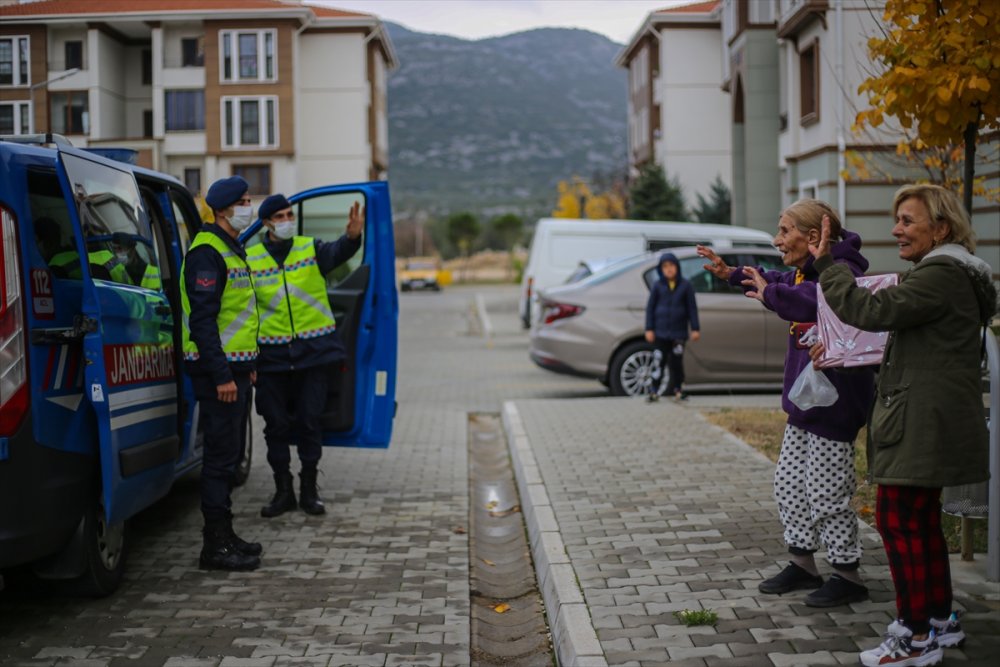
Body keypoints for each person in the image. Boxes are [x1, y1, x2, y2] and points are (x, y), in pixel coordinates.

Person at [810, 184, 995, 666]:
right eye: (898, 219)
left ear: (941, 228)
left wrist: (828, 266)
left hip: (920, 421)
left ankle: (913, 638)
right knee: (920, 523)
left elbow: (870, 312)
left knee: (898, 521)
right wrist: (838, 351)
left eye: (908, 221)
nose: (896, 229)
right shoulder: (950, 276)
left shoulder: (940, 275)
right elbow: (909, 341)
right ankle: (938, 621)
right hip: (929, 418)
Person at [697, 198, 875, 607]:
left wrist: (770, 294)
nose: (778, 240)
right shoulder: (801, 271)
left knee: (826, 491)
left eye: (784, 231)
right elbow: (774, 279)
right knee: (789, 484)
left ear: (813, 237)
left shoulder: (840, 272)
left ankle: (847, 573)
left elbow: (809, 300)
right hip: (804, 404)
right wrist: (732, 274)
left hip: (835, 406)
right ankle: (803, 563)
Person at [247, 194, 363, 518]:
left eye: (289, 214)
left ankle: (309, 490)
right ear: (267, 222)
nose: (287, 220)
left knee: (310, 423)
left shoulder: (309, 248)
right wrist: (248, 361)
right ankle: (282, 491)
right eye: (280, 216)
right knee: (276, 426)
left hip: (313, 355)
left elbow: (339, 252)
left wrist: (352, 237)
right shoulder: (250, 258)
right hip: (270, 359)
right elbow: (243, 311)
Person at [180, 175, 262, 571]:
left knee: (228, 458)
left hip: (235, 369)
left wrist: (248, 366)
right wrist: (223, 376)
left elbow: (240, 318)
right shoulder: (207, 252)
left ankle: (226, 536)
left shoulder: (232, 247)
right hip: (218, 375)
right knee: (218, 459)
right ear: (226, 209)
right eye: (245, 200)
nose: (251, 205)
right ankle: (214, 546)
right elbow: (204, 322)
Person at [643, 252, 700, 401]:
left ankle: (678, 390)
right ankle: (654, 390)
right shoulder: (657, 286)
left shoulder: (686, 286)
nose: (669, 269)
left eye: (671, 265)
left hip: (678, 334)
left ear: (677, 267)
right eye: (665, 266)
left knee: (676, 363)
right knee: (658, 361)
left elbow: (692, 308)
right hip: (660, 333)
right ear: (661, 269)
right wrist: (649, 328)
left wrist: (695, 328)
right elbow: (650, 308)